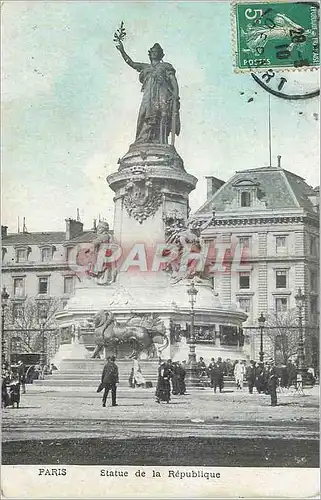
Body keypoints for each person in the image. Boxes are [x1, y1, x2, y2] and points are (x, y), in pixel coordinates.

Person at [116, 40, 180, 145]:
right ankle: (141, 140)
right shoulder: (145, 67)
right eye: (153, 51)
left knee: (163, 115)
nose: (155, 53)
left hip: (162, 93)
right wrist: (122, 51)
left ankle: (162, 142)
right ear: (150, 54)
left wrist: (175, 95)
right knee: (143, 114)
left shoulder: (166, 66)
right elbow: (132, 63)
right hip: (148, 96)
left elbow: (173, 81)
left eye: (157, 51)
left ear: (161, 54)